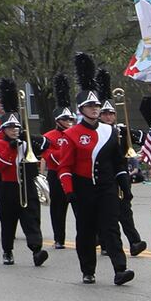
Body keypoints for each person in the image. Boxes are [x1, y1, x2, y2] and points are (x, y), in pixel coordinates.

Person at [56, 85, 134, 286]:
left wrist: (124, 184)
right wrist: (69, 190)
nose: (95, 109)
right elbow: (64, 166)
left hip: (106, 188)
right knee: (86, 231)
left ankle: (120, 269)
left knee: (111, 228)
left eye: (97, 105)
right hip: (83, 189)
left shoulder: (110, 131)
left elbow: (118, 162)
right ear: (81, 110)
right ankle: (88, 270)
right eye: (90, 106)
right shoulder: (72, 134)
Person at [0, 82, 49, 268]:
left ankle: (37, 250)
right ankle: (7, 250)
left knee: (32, 219)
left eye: (16, 127)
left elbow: (48, 146)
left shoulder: (26, 142)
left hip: (27, 185)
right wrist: (10, 150)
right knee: (8, 222)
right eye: (10, 128)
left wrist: (34, 139)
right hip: (8, 188)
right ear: (3, 130)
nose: (14, 130)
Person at [99, 99, 146, 256]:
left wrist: (130, 134)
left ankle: (135, 242)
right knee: (107, 213)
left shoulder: (121, 130)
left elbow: (144, 138)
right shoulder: (97, 132)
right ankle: (105, 243)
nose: (108, 117)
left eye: (111, 113)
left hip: (122, 174)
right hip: (105, 176)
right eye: (104, 114)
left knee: (125, 209)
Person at [41, 78, 76, 250]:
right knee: (58, 209)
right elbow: (52, 157)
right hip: (56, 175)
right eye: (65, 119)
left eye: (70, 118)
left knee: (82, 208)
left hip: (75, 174)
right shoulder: (49, 136)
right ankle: (59, 238)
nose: (69, 122)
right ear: (57, 120)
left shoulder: (77, 134)